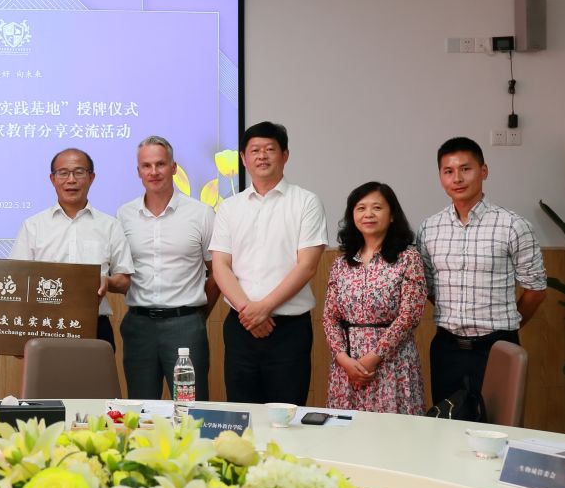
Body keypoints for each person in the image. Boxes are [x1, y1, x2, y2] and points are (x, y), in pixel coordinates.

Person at [416, 137, 546, 404]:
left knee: (499, 425)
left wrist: (507, 324)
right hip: (447, 347)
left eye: (466, 169)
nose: (458, 178)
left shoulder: (513, 225)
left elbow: (536, 290)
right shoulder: (429, 229)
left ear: (483, 171)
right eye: (448, 171)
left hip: (498, 346)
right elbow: (428, 286)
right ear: (440, 176)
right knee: (446, 422)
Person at [210, 121, 327, 405]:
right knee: (242, 412)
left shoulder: (306, 202)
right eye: (255, 150)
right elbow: (221, 265)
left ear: (285, 155)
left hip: (288, 330)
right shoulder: (229, 207)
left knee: (287, 412)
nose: (262, 156)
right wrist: (248, 312)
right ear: (243, 158)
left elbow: (307, 266)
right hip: (241, 327)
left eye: (270, 149)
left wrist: (264, 308)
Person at [117, 136, 218, 400]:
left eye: (160, 164)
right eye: (146, 165)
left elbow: (218, 271)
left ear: (174, 167)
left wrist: (197, 315)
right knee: (139, 409)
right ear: (138, 171)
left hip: (185, 325)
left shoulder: (201, 213)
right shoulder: (123, 215)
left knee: (190, 410)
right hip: (138, 326)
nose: (154, 172)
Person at [10, 148, 134, 350]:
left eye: (79, 172)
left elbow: (124, 281)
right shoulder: (32, 226)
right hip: (45, 325)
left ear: (91, 178)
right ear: (52, 179)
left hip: (95, 325)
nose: (71, 180)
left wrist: (106, 281)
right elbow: (16, 279)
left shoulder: (110, 225)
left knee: (96, 383)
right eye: (63, 173)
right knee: (47, 383)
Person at [323, 182, 426, 414]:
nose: (368, 214)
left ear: (391, 216)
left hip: (392, 363)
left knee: (393, 438)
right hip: (347, 366)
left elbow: (409, 316)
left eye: (377, 208)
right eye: (360, 208)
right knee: (346, 437)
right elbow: (330, 317)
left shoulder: (408, 258)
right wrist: (343, 359)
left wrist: (372, 358)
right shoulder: (341, 263)